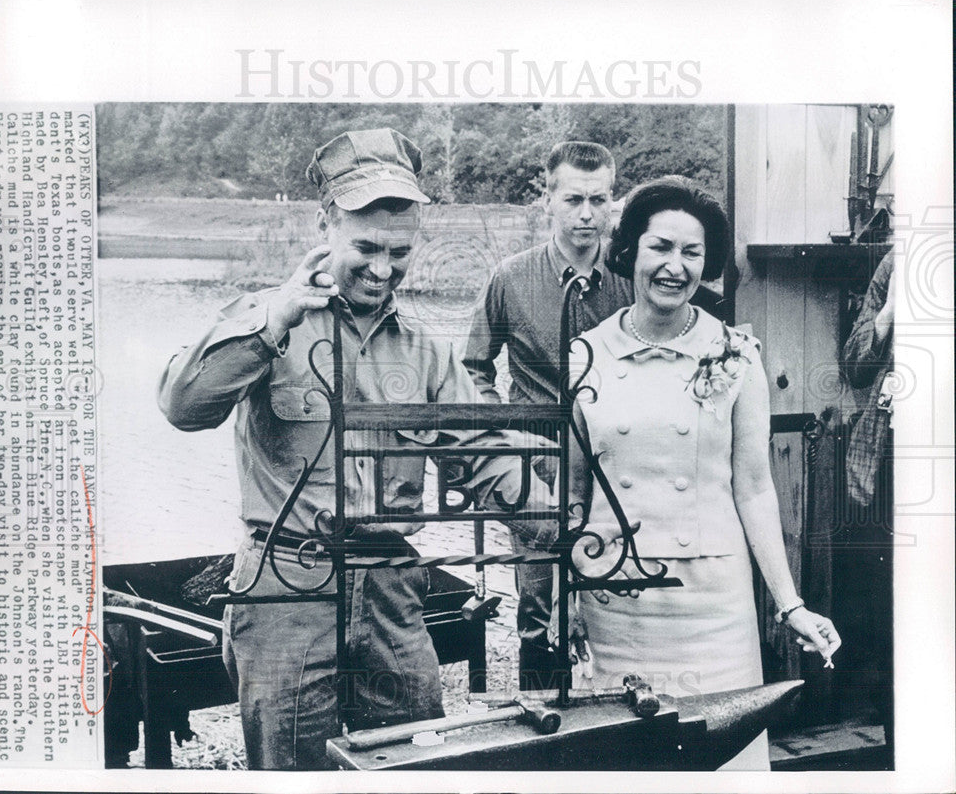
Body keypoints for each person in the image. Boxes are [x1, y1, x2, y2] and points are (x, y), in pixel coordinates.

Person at [158, 128, 539, 770]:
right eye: (365, 247)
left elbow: (486, 458)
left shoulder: (426, 351)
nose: (382, 269)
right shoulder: (264, 317)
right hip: (285, 592)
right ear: (324, 223)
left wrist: (567, 529)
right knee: (292, 771)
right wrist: (273, 322)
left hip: (391, 593)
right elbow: (183, 406)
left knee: (414, 766)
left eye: (399, 251)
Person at [561, 175, 841, 770]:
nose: (674, 266)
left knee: (723, 761)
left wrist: (789, 603)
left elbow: (755, 487)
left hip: (712, 603)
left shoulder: (736, 355)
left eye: (692, 253)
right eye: (661, 247)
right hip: (618, 594)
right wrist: (566, 594)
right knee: (630, 758)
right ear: (631, 248)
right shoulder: (584, 355)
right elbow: (574, 489)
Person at [463, 142, 723, 691]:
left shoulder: (641, 275)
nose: (587, 214)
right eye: (574, 199)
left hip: (616, 470)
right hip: (536, 474)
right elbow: (473, 370)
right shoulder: (509, 280)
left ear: (613, 203)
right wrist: (507, 439)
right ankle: (542, 722)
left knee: (622, 595)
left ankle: (620, 716)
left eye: (599, 200)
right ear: (547, 199)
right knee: (539, 611)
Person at [840, 251, 894, 749]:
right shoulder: (894, 265)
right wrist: (889, 310)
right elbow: (855, 364)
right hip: (888, 459)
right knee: (888, 605)